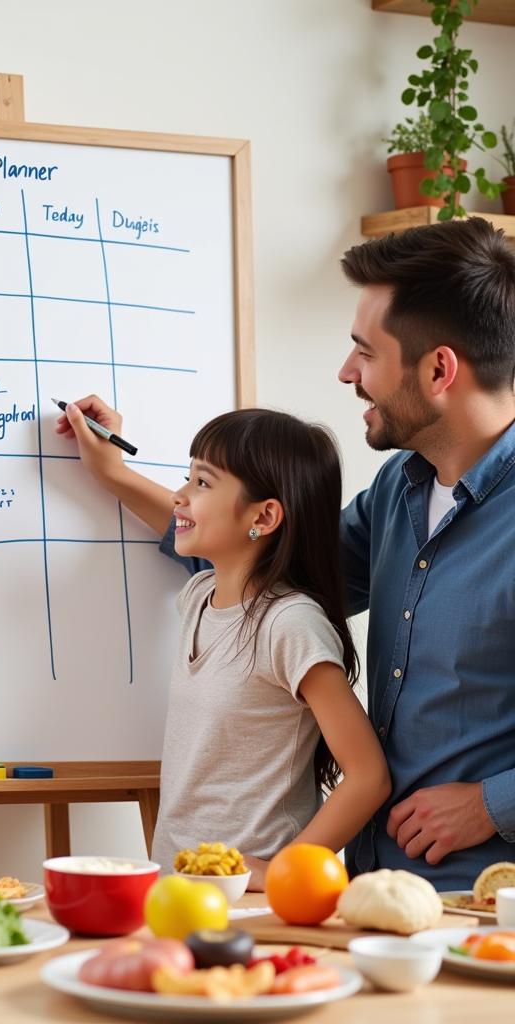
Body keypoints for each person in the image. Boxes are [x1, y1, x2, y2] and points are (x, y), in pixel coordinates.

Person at [58, 217, 515, 890]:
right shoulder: (398, 490)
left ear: (439, 368)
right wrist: (115, 474)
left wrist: (492, 804)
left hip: (482, 899)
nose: (345, 372)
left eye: (365, 352)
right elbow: (260, 554)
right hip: (362, 886)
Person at [67, 406, 391, 885]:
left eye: (202, 483)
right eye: (188, 477)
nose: (179, 496)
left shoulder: (291, 624)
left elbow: (368, 776)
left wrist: (284, 870)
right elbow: (189, 525)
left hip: (250, 901)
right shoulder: (199, 596)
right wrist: (111, 474)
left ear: (264, 515)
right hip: (179, 882)